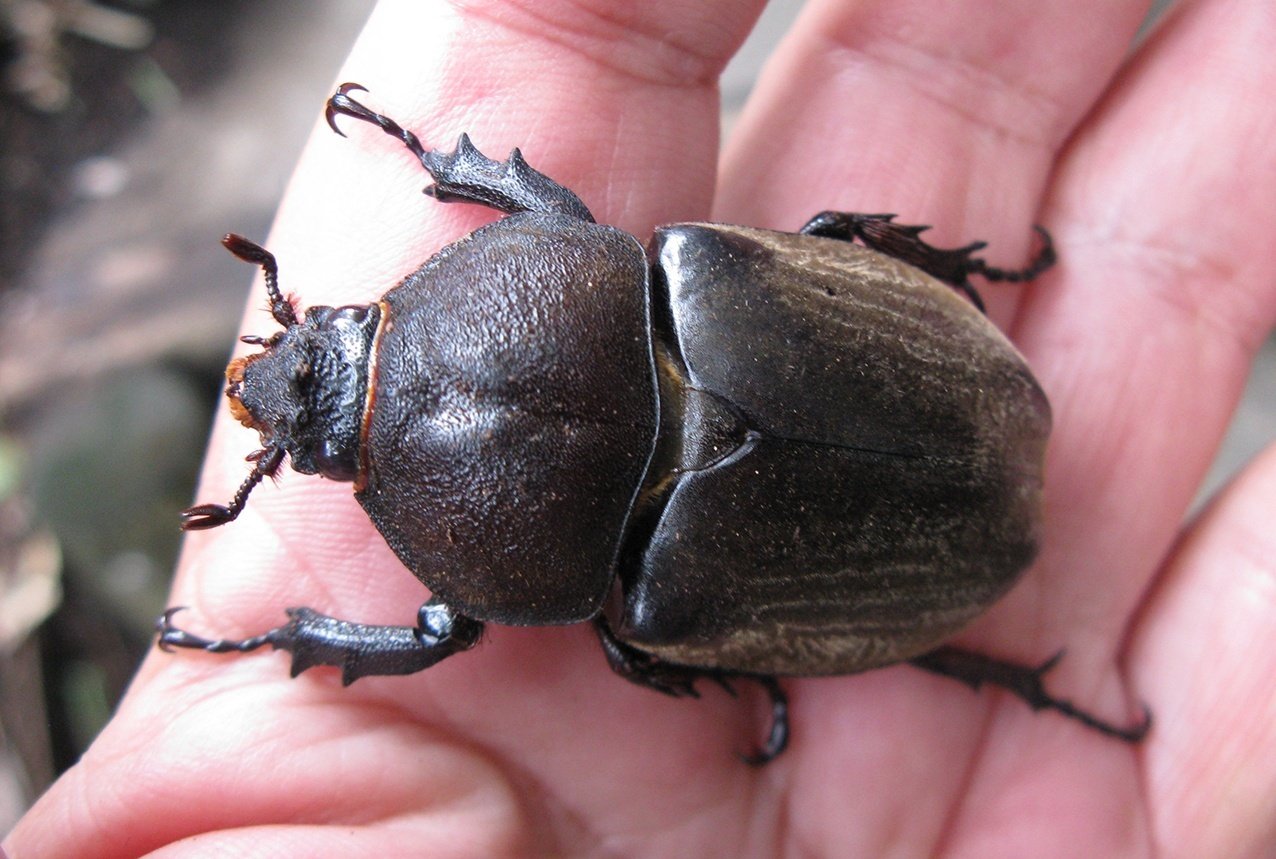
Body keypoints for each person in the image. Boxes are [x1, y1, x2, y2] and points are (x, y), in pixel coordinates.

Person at [8, 1, 1275, 855]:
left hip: (893, 489)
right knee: (826, 242)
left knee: (654, 636)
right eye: (320, 432)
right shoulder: (652, 280)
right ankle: (1005, 663)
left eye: (329, 332)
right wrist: (438, 161)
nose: (306, 365)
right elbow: (549, 220)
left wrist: (278, 634)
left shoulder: (614, 585)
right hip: (933, 414)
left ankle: (1000, 674)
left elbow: (441, 630)